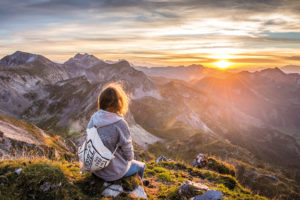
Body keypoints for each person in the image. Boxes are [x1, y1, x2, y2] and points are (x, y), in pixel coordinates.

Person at [84, 83, 145, 182]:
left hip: (95, 169)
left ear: (101, 101)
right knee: (141, 166)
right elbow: (129, 155)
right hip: (112, 173)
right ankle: (139, 185)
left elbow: (88, 139)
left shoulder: (94, 118)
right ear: (119, 103)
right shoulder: (120, 124)